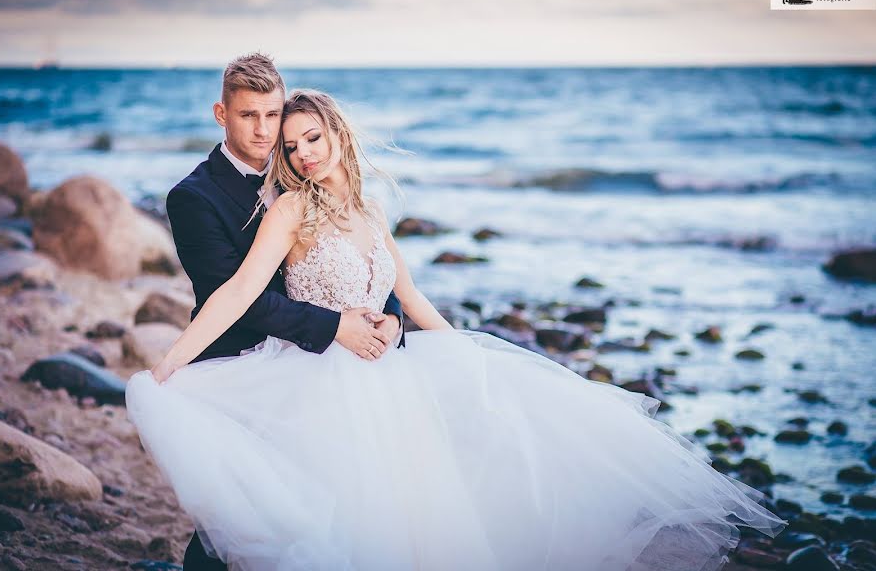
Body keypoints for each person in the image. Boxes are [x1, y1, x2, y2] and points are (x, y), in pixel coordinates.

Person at [126, 89, 786, 570]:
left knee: (416, 526)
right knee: (336, 530)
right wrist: (173, 360)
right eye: (291, 146)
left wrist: (469, 359)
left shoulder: (370, 208)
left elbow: (408, 296)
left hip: (389, 384)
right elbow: (238, 291)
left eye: (312, 139)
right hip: (320, 384)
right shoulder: (290, 210)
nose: (301, 154)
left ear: (338, 134)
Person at [162, 53, 405, 571]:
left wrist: (393, 314)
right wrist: (335, 327)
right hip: (239, 363)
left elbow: (361, 260)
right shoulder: (194, 197)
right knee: (237, 520)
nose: (264, 130)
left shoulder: (301, 175)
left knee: (328, 508)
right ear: (221, 114)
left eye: (272, 115)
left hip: (320, 371)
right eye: (249, 115)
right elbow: (236, 296)